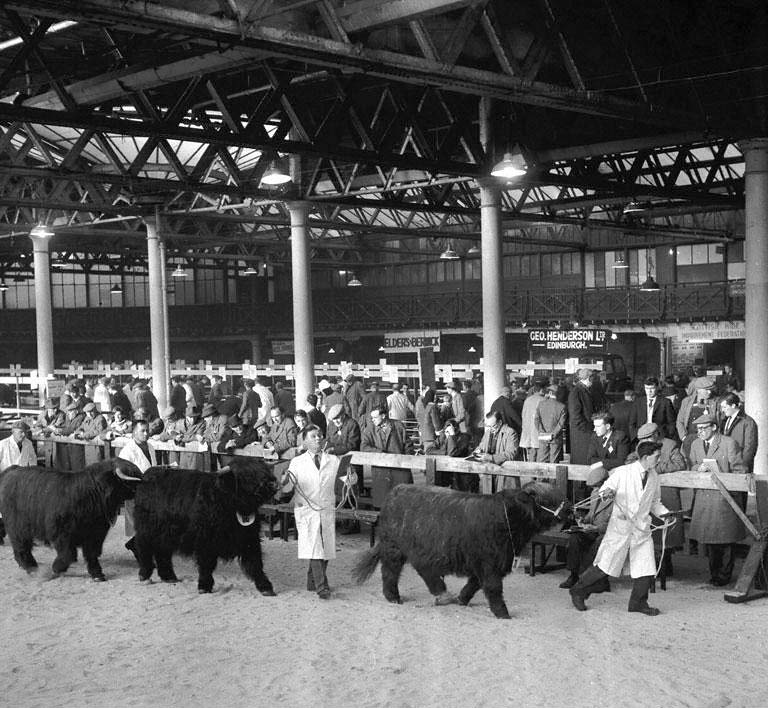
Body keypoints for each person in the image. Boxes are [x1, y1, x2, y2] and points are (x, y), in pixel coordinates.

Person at [569, 442, 672, 615]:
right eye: (657, 456)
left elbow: (655, 502)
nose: (659, 459)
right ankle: (578, 590)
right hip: (621, 527)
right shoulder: (623, 472)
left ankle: (638, 603)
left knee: (646, 566)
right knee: (605, 565)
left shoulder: (654, 476)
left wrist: (665, 514)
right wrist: (607, 493)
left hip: (641, 528)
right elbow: (604, 490)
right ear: (646, 458)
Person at [687, 412, 747, 586]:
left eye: (704, 428)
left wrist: (720, 470)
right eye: (698, 429)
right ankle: (715, 574)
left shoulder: (729, 443)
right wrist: (699, 467)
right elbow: (692, 465)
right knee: (710, 538)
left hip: (724, 497)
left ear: (714, 427)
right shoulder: (696, 444)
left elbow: (740, 470)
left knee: (726, 538)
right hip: (705, 497)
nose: (700, 432)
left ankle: (724, 575)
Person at [281, 425, 338, 599]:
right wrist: (284, 481)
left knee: (326, 547)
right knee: (314, 546)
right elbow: (287, 488)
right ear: (304, 441)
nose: (318, 438)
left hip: (327, 507)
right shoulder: (297, 462)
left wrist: (351, 477)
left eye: (319, 435)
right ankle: (322, 586)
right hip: (307, 509)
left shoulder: (334, 460)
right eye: (313, 436)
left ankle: (312, 581)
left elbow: (344, 480)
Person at [361, 406, 414, 507]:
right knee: (382, 505)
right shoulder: (369, 430)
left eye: (375, 417)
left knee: (402, 503)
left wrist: (406, 461)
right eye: (371, 418)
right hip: (381, 473)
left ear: (384, 416)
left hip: (399, 471)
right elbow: (364, 447)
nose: (372, 420)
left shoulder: (398, 426)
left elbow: (408, 445)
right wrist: (380, 453)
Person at [585, 411, 631, 486]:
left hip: (617, 478)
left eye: (598, 426)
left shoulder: (620, 437)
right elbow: (590, 459)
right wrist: (610, 462)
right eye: (594, 426)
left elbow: (622, 461)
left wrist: (601, 463)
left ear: (607, 426)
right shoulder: (595, 437)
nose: (594, 429)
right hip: (599, 478)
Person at [427, 418, 474, 490]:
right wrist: (445, 452)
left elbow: (452, 453)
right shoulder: (443, 437)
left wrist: (452, 436)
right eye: (446, 430)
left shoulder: (464, 437)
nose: (447, 433)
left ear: (456, 429)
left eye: (450, 430)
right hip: (446, 473)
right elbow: (428, 450)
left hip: (461, 475)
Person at [719, 393, 758, 472]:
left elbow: (750, 447)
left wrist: (743, 465)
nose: (722, 410)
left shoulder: (748, 421)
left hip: (739, 467)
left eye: (724, 407)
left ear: (733, 406)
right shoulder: (725, 420)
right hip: (726, 465)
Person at [633, 377, 677, 441]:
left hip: (660, 437)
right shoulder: (638, 402)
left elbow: (672, 422)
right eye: (647, 388)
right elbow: (632, 422)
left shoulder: (665, 402)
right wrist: (635, 436)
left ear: (657, 387)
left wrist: (668, 436)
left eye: (652, 388)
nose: (649, 391)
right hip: (641, 436)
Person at [568, 368, 595, 464]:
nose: (593, 380)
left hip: (584, 431)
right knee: (581, 459)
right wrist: (587, 428)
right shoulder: (576, 391)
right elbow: (575, 415)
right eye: (592, 378)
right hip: (581, 432)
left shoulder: (583, 390)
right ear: (588, 378)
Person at [535, 384, 566, 462]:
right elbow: (561, 424)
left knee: (542, 460)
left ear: (550, 393)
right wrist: (553, 434)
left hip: (543, 436)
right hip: (555, 438)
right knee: (554, 461)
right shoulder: (562, 406)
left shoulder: (541, 404)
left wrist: (541, 431)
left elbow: (536, 419)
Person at [519, 381, 545, 461]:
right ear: (541, 390)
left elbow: (523, 414)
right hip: (538, 430)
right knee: (540, 454)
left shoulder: (527, 400)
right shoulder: (543, 400)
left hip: (527, 429)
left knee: (530, 453)